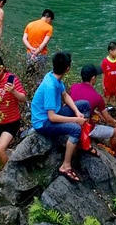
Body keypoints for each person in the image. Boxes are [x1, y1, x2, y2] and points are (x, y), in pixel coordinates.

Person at [30, 51, 88, 183]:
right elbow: (52, 118)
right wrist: (75, 120)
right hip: (43, 122)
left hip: (54, 113)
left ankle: (82, 141)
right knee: (75, 129)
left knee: (84, 105)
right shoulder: (50, 86)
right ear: (67, 69)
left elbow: (65, 95)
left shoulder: (53, 76)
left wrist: (77, 111)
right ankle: (65, 165)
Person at [69, 65, 116, 158]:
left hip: (72, 123)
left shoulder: (73, 87)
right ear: (93, 78)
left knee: (95, 116)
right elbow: (108, 119)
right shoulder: (96, 96)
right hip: (86, 129)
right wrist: (115, 125)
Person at [100, 42, 116, 106]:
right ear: (110, 51)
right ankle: (105, 111)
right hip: (108, 86)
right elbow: (103, 74)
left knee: (114, 99)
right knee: (107, 99)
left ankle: (113, 110)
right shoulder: (105, 62)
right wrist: (103, 85)